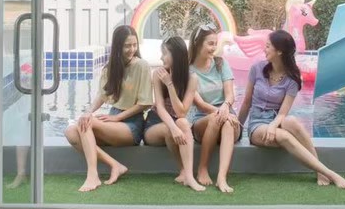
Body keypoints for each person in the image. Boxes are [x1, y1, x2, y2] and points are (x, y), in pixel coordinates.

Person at [237, 29, 345, 190]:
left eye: (268, 46)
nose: (264, 49)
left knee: (292, 121)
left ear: (279, 51)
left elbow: (283, 113)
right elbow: (246, 102)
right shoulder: (257, 68)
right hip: (257, 124)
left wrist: (273, 125)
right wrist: (237, 129)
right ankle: (331, 174)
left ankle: (319, 171)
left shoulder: (292, 79)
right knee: (284, 136)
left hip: (276, 119)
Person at [65, 24, 153, 194]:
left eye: (134, 45)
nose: (132, 49)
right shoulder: (110, 68)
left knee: (87, 123)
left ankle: (92, 175)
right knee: (71, 132)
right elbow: (102, 95)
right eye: (127, 45)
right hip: (113, 120)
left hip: (131, 125)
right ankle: (114, 165)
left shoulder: (142, 65)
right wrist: (88, 112)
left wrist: (117, 118)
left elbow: (145, 104)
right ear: (118, 46)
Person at [143, 36, 203, 192]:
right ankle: (184, 171)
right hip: (155, 125)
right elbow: (160, 108)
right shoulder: (157, 74)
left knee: (182, 122)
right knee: (172, 127)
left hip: (176, 122)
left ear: (176, 54)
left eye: (164, 53)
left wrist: (169, 84)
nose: (161, 58)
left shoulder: (192, 78)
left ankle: (188, 176)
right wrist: (174, 128)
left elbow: (181, 112)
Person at [188, 25, 242, 194]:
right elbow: (200, 104)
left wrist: (225, 107)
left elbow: (230, 95)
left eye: (215, 44)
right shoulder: (188, 70)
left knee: (227, 123)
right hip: (202, 119)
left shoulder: (220, 63)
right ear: (198, 44)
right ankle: (202, 168)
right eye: (210, 44)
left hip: (227, 114)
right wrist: (221, 113)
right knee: (215, 119)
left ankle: (221, 177)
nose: (214, 48)